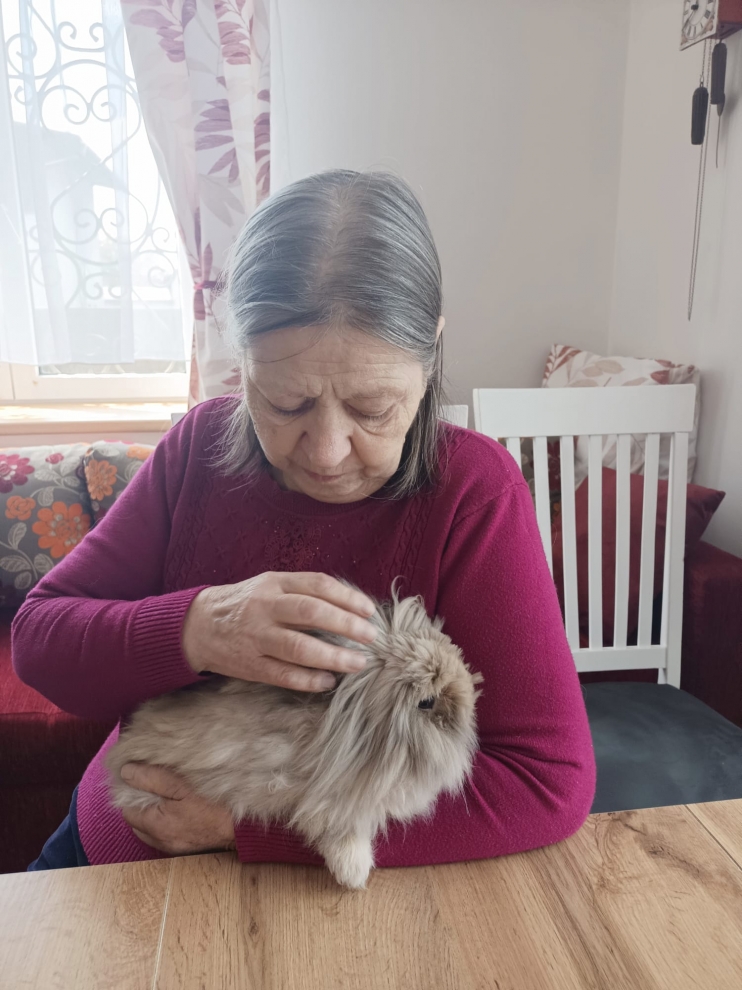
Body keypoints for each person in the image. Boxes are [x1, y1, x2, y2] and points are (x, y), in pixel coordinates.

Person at [13, 170, 595, 871]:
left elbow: (548, 782)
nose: (325, 453)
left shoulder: (474, 492)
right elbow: (40, 638)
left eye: (372, 409)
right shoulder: (198, 447)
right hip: (115, 848)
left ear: (432, 353)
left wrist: (253, 826)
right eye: (284, 403)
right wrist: (197, 628)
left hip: (321, 897)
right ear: (240, 361)